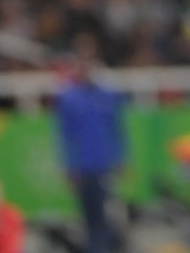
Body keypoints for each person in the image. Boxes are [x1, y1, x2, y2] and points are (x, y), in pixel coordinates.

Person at [55, 35, 126, 253]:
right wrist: (70, 166)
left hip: (104, 164)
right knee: (90, 216)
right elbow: (65, 135)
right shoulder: (69, 98)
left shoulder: (107, 95)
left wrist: (121, 158)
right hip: (84, 167)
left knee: (107, 215)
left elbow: (117, 129)